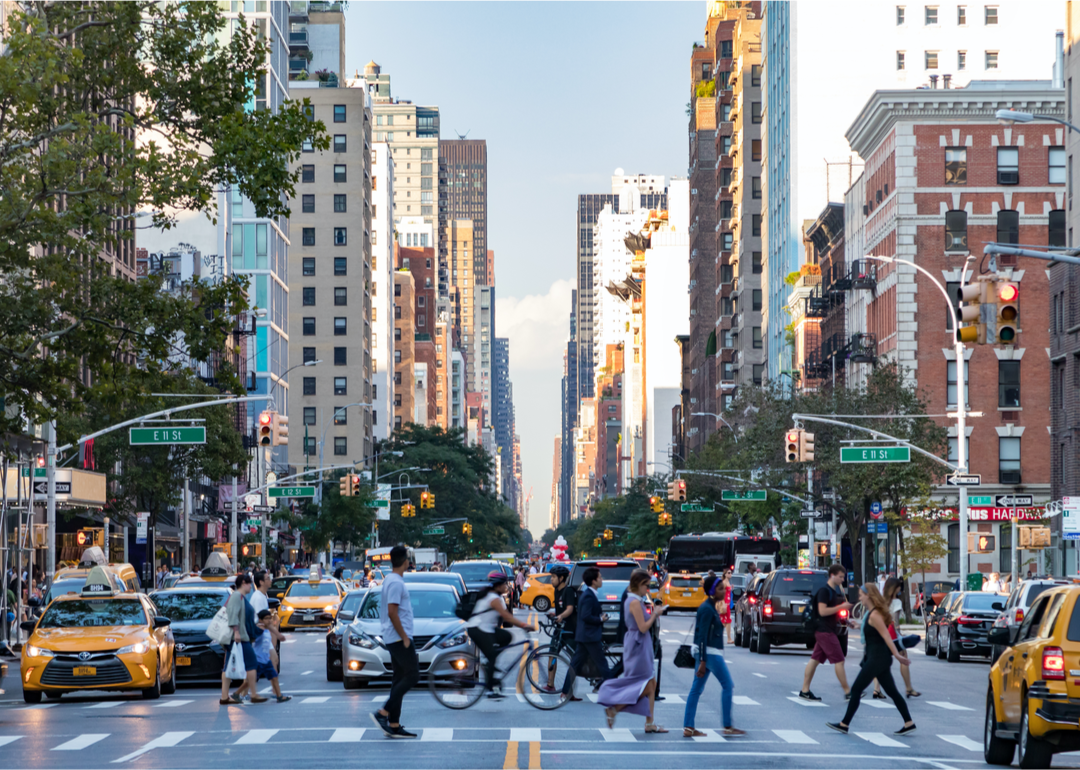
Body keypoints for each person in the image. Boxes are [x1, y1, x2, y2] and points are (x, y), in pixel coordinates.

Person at [827, 583, 916, 736]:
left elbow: (886, 636)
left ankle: (844, 724)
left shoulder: (875, 615)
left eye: (861, 594)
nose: (859, 597)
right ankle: (909, 722)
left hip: (877, 659)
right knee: (892, 692)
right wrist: (856, 626)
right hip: (878, 658)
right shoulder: (872, 613)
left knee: (855, 689)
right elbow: (872, 630)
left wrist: (897, 655)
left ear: (869, 595)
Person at [599, 569, 669, 732]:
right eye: (646, 585)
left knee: (651, 683)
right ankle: (614, 708)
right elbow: (643, 627)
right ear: (638, 584)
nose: (648, 589)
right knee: (644, 683)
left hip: (639, 643)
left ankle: (650, 723)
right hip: (638, 644)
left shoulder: (635, 599)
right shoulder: (634, 602)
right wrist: (655, 614)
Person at [683, 574, 744, 738]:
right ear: (712, 591)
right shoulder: (707, 609)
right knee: (727, 685)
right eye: (720, 588)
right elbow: (702, 636)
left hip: (706, 653)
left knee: (696, 689)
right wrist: (703, 661)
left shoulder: (710, 607)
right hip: (709, 653)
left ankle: (689, 726)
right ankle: (728, 725)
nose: (724, 590)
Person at [372, 545, 419, 738]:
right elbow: (392, 612)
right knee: (413, 676)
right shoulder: (396, 583)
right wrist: (405, 637)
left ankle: (394, 724)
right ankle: (383, 712)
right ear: (406, 561)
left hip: (395, 637)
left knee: (399, 678)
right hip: (398, 638)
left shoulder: (391, 580)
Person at [467, 570, 535, 698]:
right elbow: (507, 617)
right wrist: (524, 625)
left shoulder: (496, 597)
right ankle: (490, 689)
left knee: (507, 636)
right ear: (498, 585)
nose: (507, 586)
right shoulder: (493, 598)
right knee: (492, 656)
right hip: (477, 629)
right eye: (504, 584)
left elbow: (504, 617)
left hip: (487, 628)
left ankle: (490, 663)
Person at [800, 564, 852, 701]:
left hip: (824, 630)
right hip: (825, 632)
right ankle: (848, 692)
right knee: (839, 660)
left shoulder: (832, 591)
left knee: (815, 660)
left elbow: (830, 613)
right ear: (832, 575)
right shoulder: (825, 591)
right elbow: (823, 611)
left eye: (843, 577)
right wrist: (841, 607)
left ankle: (805, 690)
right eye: (840, 577)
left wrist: (846, 621)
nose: (842, 580)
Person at [561, 567, 611, 699]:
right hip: (590, 636)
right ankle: (613, 690)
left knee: (575, 665)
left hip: (585, 635)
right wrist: (601, 619)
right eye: (600, 577)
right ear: (594, 581)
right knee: (602, 664)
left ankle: (565, 692)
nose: (602, 580)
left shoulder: (588, 594)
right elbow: (585, 616)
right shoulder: (588, 595)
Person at [221, 573, 266, 705]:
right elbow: (233, 615)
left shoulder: (241, 597)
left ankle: (225, 696)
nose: (251, 586)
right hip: (238, 637)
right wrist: (236, 632)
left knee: (228, 666)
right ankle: (254, 694)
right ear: (243, 583)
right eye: (249, 583)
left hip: (240, 636)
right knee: (252, 664)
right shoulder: (236, 596)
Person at [873, 577, 919, 699]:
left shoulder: (879, 601)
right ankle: (908, 688)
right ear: (895, 589)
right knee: (903, 657)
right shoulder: (896, 602)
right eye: (899, 587)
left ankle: (876, 689)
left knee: (878, 661)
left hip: (878, 632)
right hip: (891, 634)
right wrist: (900, 635)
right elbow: (895, 622)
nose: (900, 590)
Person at [547, 565, 578, 694]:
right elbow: (561, 608)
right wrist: (555, 615)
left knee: (574, 661)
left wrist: (561, 616)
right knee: (552, 653)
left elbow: (570, 609)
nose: (551, 580)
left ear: (561, 578)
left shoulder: (568, 591)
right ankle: (550, 684)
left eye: (553, 577)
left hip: (570, 630)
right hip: (559, 629)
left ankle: (568, 688)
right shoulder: (556, 590)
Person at [253, 610, 291, 702]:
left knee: (274, 677)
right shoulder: (259, 629)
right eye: (266, 618)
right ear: (260, 620)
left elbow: (273, 630)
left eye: (270, 618)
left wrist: (279, 635)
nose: (269, 620)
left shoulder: (267, 628)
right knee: (249, 681)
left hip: (266, 660)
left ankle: (279, 696)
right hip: (257, 660)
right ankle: (238, 694)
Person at [720, 570, 734, 644]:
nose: (730, 574)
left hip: (728, 603)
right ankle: (728, 638)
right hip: (725, 603)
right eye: (728, 573)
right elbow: (722, 593)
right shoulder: (724, 582)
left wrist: (731, 588)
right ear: (725, 574)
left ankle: (727, 637)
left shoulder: (728, 582)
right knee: (725, 620)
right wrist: (723, 603)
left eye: (731, 573)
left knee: (726, 621)